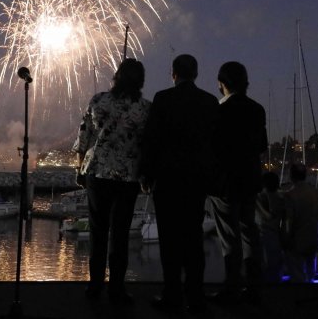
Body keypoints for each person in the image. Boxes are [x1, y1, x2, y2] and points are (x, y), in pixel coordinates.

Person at [139, 54, 218, 313]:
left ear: (173, 73)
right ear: (196, 73)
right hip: (196, 180)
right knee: (193, 237)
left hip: (167, 179)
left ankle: (171, 293)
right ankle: (195, 295)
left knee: (169, 240)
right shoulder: (209, 102)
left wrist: (146, 176)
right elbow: (215, 144)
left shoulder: (163, 99)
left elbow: (151, 141)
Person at [73, 58, 151, 306]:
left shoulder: (99, 100)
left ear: (117, 76)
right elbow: (146, 145)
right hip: (128, 175)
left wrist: (80, 169)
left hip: (97, 172)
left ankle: (94, 285)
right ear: (140, 81)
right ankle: (116, 288)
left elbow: (84, 136)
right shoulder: (145, 108)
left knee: (98, 230)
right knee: (120, 233)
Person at [207, 61, 267, 305]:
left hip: (225, 183)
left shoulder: (218, 111)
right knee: (249, 230)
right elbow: (261, 145)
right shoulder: (257, 109)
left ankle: (231, 287)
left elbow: (213, 147)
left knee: (229, 236)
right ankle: (253, 285)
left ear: (221, 84)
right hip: (250, 179)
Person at [283, 163, 318, 283]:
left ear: (291, 176)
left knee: (297, 276)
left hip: (297, 240)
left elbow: (289, 221)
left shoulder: (290, 195)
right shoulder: (317, 193)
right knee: (310, 273)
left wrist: (286, 238)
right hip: (313, 238)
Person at [255, 172, 285, 283]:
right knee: (276, 264)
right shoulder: (281, 196)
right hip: (277, 233)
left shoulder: (263, 197)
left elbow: (268, 216)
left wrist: (256, 203)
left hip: (266, 233)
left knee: (269, 265)